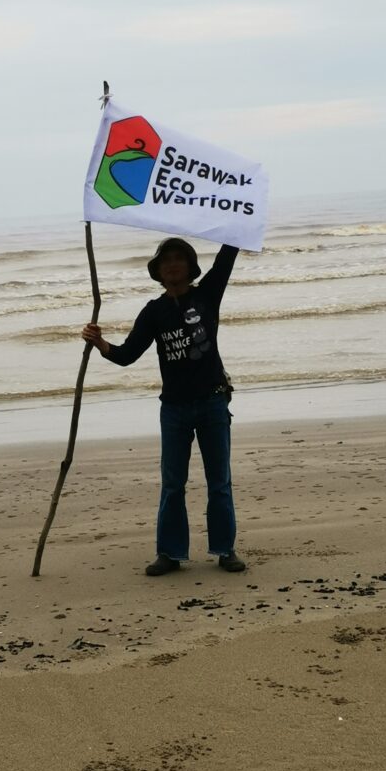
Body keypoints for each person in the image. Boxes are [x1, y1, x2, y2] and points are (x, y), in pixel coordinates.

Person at [82, 237, 246, 576]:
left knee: (219, 482)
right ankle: (169, 553)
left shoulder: (207, 294)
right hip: (174, 409)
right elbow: (127, 355)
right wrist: (100, 343)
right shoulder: (153, 311)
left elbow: (226, 257)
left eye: (178, 258)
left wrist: (237, 223)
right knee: (172, 484)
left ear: (190, 266)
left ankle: (225, 550)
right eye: (165, 260)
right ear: (157, 270)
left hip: (213, 401)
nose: (172, 264)